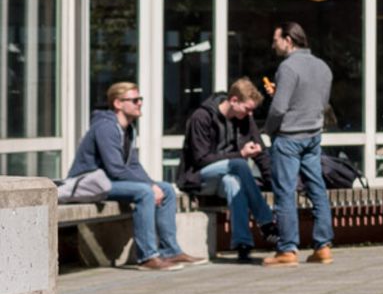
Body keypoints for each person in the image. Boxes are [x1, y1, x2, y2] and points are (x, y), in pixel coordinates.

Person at [71, 82, 194, 270]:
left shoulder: (127, 129)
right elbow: (116, 169)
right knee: (144, 192)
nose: (140, 104)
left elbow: (133, 164)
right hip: (89, 183)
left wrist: (153, 184)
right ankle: (147, 257)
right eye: (135, 100)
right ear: (118, 104)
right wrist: (149, 187)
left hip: (108, 182)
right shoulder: (106, 127)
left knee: (166, 189)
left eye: (140, 99)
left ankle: (171, 250)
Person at [180, 77, 278, 263]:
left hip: (226, 176)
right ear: (233, 101)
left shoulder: (245, 120)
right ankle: (266, 222)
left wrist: (273, 183)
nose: (250, 114)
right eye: (247, 109)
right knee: (239, 164)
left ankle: (242, 244)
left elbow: (261, 153)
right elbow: (200, 159)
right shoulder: (202, 117)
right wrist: (239, 154)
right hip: (200, 177)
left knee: (234, 183)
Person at [264, 22, 335, 267]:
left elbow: (280, 108)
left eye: (276, 39)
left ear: (288, 40)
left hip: (289, 137)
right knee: (317, 190)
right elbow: (320, 103)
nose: (274, 45)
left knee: (285, 192)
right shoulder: (323, 67)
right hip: (313, 136)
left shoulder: (288, 67)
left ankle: (287, 249)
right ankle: (323, 247)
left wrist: (269, 130)